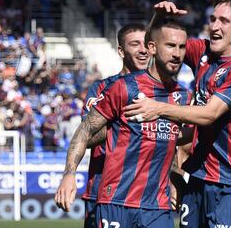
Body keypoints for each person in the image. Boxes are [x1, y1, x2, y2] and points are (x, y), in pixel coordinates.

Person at [124, 0, 231, 227]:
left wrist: (157, 108)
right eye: (213, 19)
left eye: (224, 21)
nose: (214, 26)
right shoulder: (203, 52)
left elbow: (209, 114)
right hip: (198, 177)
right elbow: (157, 43)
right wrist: (158, 19)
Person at [55, 18, 192, 228]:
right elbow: (86, 131)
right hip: (114, 197)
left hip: (157, 205)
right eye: (171, 46)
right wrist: (69, 174)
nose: (177, 53)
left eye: (182, 47)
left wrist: (175, 177)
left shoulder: (183, 96)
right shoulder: (117, 87)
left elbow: (171, 143)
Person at [79, 23, 150, 228]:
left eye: (146, 44)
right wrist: (120, 121)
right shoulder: (101, 88)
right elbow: (87, 136)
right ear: (121, 51)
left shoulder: (161, 93)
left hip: (148, 197)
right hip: (102, 191)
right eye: (135, 44)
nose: (143, 50)